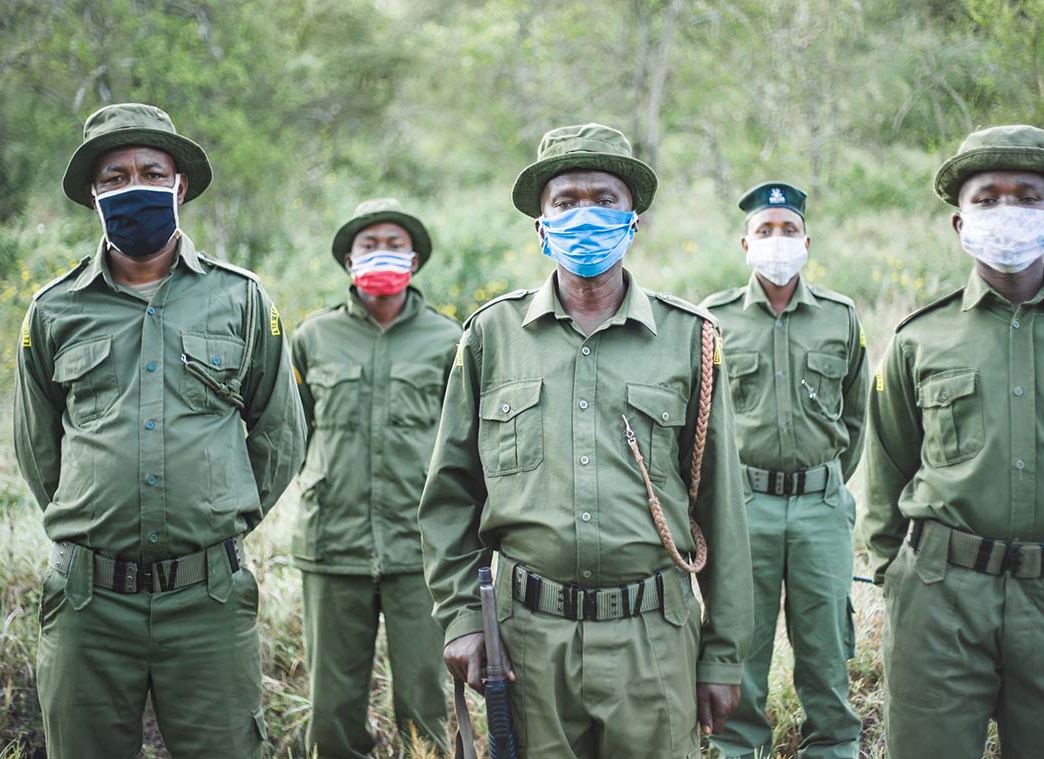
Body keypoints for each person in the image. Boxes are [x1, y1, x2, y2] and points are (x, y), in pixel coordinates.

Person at [418, 123, 752, 758]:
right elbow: (450, 493)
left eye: (605, 199)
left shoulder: (690, 339)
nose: (585, 216)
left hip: (653, 636)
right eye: (565, 201)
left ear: (633, 221)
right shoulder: (492, 336)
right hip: (526, 643)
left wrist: (724, 655)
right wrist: (462, 616)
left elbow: (723, 513)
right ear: (540, 225)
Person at [13, 102, 306, 759]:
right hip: (89, 601)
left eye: (150, 171)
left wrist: (212, 513)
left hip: (206, 597)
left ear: (179, 186)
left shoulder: (241, 299)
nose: (132, 186)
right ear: (93, 192)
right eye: (114, 176)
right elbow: (38, 447)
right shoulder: (54, 308)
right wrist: (98, 514)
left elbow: (280, 432)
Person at [864, 124, 1044, 758]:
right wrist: (901, 581)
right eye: (987, 197)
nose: (1006, 212)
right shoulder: (917, 340)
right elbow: (887, 466)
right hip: (939, 602)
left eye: (1026, 197)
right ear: (960, 225)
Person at [703, 181, 866, 759]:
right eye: (765, 231)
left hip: (821, 506)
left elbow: (856, 416)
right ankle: (737, 747)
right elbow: (702, 425)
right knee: (739, 643)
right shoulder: (714, 320)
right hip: (744, 506)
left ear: (807, 241)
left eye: (788, 230)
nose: (778, 241)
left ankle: (833, 746)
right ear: (745, 244)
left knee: (825, 643)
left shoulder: (841, 318)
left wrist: (826, 486)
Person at [291, 198, 458, 757]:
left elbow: (467, 450)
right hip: (332, 544)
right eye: (369, 245)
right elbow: (289, 434)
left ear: (415, 259)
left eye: (394, 244)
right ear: (347, 260)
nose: (382, 253)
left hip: (420, 553)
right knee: (331, 706)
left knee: (424, 701)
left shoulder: (449, 341)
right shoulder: (312, 339)